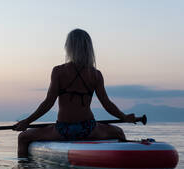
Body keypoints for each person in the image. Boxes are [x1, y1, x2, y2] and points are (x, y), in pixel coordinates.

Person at [14, 29, 136, 158]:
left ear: (69, 47)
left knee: (23, 137)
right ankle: (120, 160)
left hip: (63, 130)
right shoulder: (95, 74)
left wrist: (27, 122)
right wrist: (124, 117)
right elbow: (107, 104)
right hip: (89, 128)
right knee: (119, 132)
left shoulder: (59, 71)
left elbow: (48, 103)